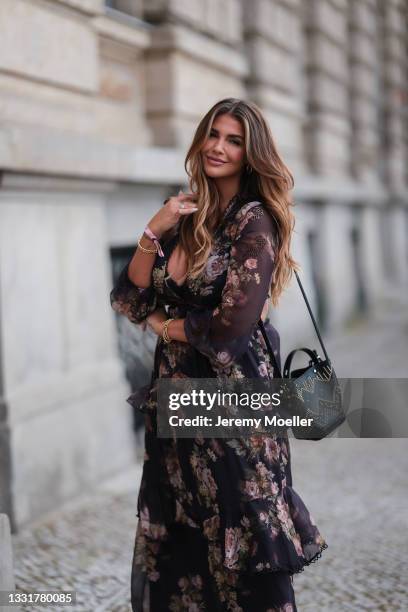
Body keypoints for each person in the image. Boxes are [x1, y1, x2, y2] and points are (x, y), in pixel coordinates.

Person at [110, 98, 328, 612]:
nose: (218, 147)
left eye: (233, 140)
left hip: (234, 405)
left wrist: (164, 326)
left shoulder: (255, 225)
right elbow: (130, 297)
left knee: (242, 529)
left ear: (250, 155)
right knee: (185, 527)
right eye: (213, 134)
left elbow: (230, 329)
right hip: (177, 401)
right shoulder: (186, 215)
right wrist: (152, 229)